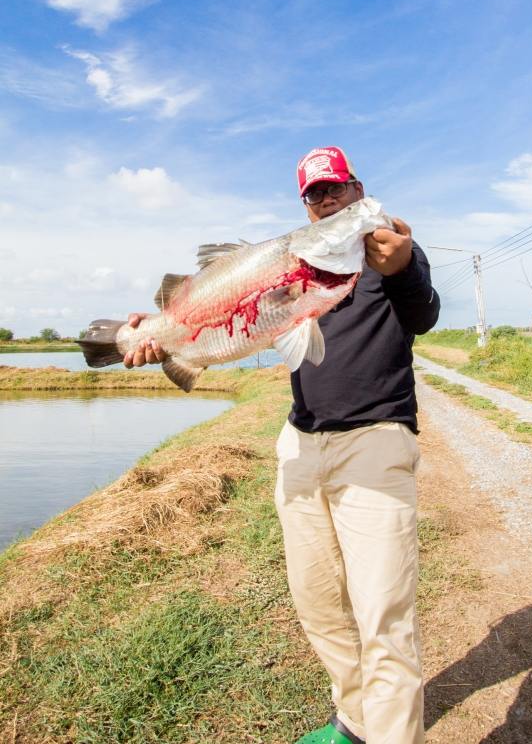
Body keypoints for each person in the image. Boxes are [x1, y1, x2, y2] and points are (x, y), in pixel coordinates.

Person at [124, 146, 440, 744]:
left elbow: (423, 316)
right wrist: (163, 333)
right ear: (307, 207)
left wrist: (405, 267)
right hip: (301, 442)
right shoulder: (286, 266)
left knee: (383, 615)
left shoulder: (390, 255)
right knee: (319, 605)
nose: (329, 202)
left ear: (358, 189)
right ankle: (354, 723)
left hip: (376, 441)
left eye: (338, 191)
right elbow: (227, 325)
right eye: (316, 195)